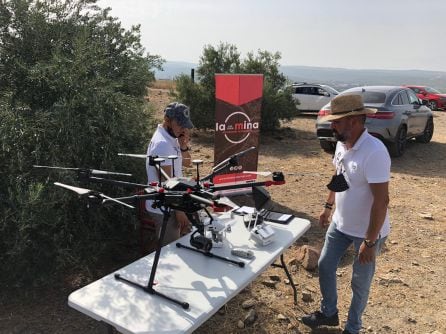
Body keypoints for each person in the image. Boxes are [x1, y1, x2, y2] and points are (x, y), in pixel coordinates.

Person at [301, 94, 391, 334]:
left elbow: (382, 202)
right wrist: (328, 206)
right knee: (325, 265)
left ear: (353, 121)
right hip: (340, 224)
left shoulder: (375, 152)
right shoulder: (341, 144)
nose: (332, 125)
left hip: (367, 232)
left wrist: (370, 242)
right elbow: (338, 178)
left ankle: (352, 328)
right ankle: (329, 313)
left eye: (337, 121)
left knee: (359, 283)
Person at [145, 102, 193, 246]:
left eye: (185, 125)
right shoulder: (163, 144)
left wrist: (183, 146)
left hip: (173, 199)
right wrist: (179, 210)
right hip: (164, 206)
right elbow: (167, 184)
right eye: (180, 124)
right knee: (170, 250)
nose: (183, 129)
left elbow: (187, 163)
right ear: (167, 120)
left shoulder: (171, 137)